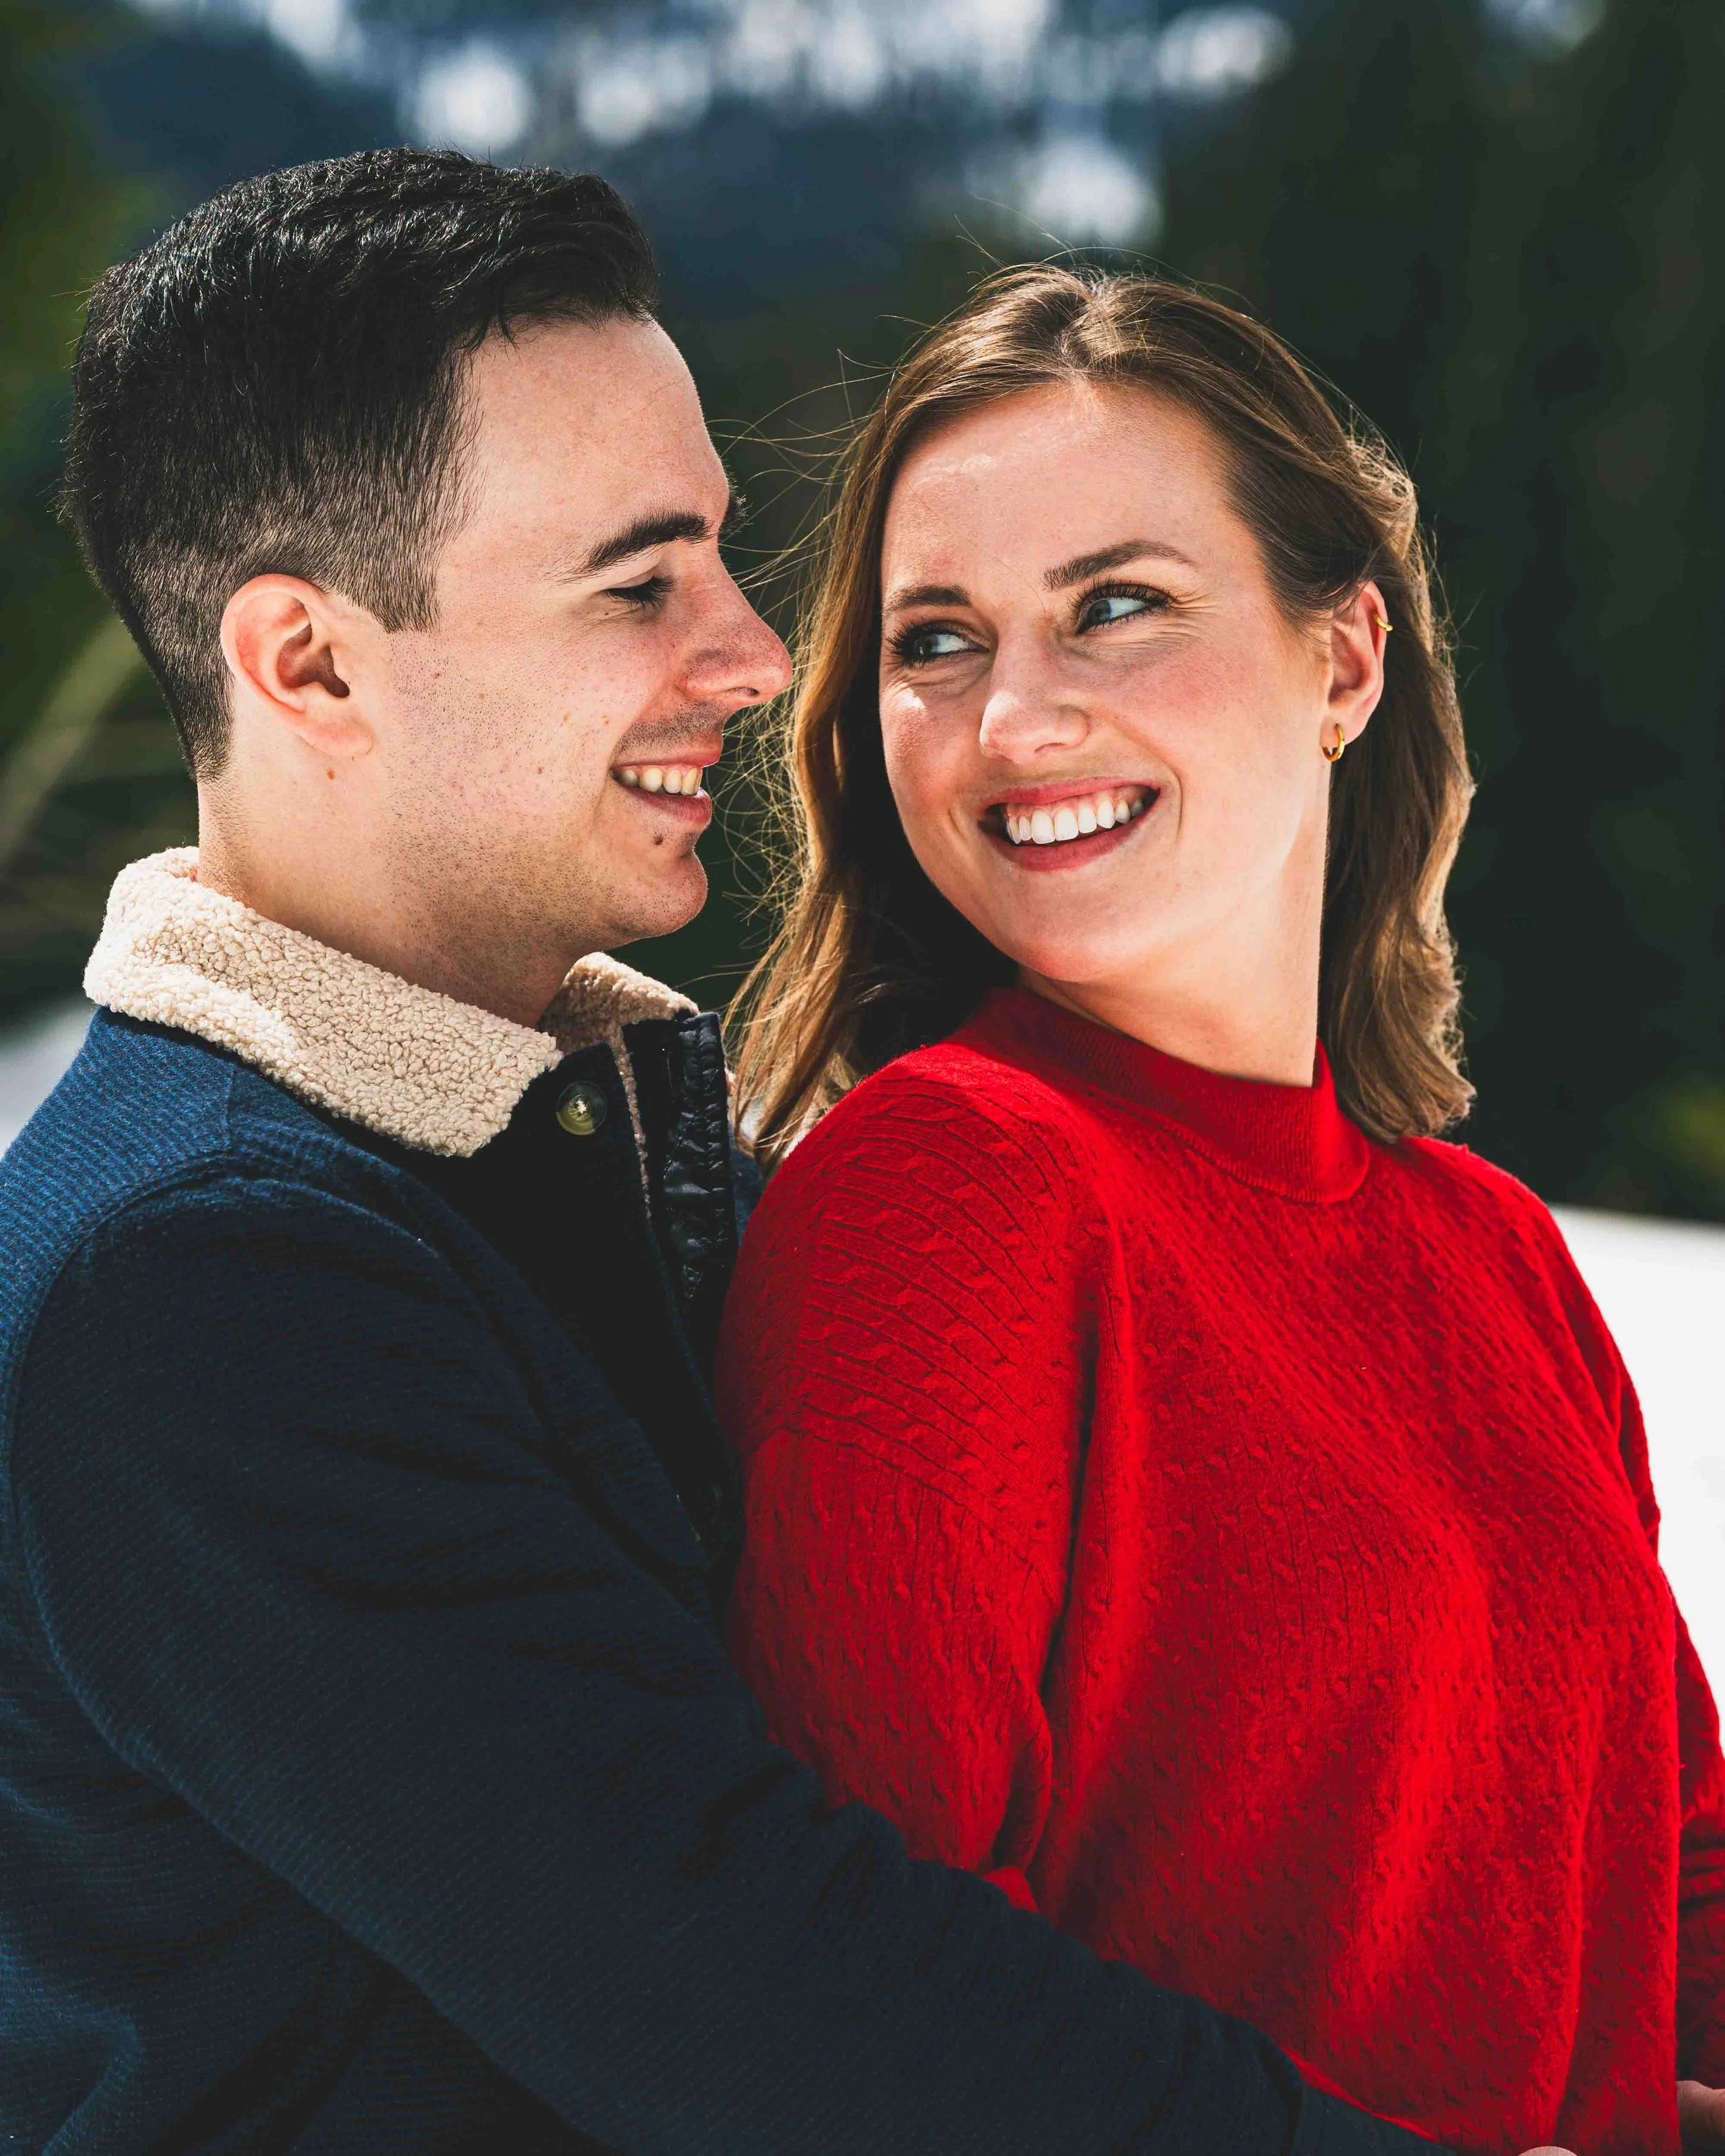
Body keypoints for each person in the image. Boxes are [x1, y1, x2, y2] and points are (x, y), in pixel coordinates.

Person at [0, 150, 1475, 2156]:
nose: (759, 654)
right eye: (637, 582)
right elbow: (750, 1983)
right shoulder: (194, 1282)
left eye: (714, 550)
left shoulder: (565, 1151)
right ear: (309, 663)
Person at [719, 265, 1725, 2156]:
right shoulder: (947, 1186)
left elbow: (1673, 1855)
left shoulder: (1488, 1247)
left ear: (1342, 659)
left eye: (1116, 606)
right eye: (936, 639)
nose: (1015, 715)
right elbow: (867, 1981)